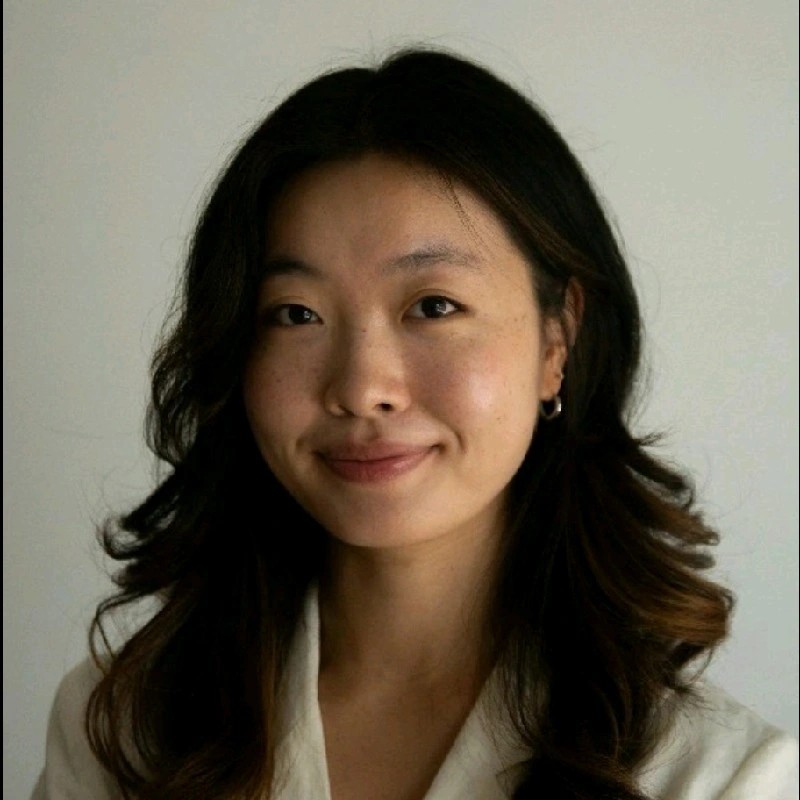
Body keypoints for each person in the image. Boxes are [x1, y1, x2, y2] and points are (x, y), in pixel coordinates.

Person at [32, 48, 797, 800]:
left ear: (557, 339)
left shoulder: (716, 778)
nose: (362, 389)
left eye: (433, 306)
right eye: (296, 314)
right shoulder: (121, 732)